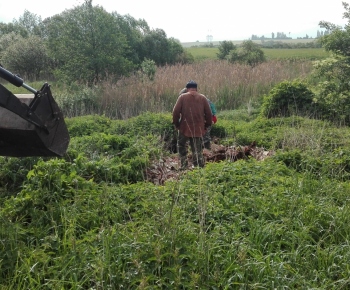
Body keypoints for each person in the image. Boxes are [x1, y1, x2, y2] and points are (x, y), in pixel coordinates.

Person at [173, 80, 212, 169]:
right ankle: (199, 166)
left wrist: (176, 124)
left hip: (184, 127)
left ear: (187, 89)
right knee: (197, 149)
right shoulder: (202, 98)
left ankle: (184, 165)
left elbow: (175, 112)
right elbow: (209, 114)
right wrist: (206, 125)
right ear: (196, 89)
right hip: (198, 128)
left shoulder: (182, 97)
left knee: (181, 146)